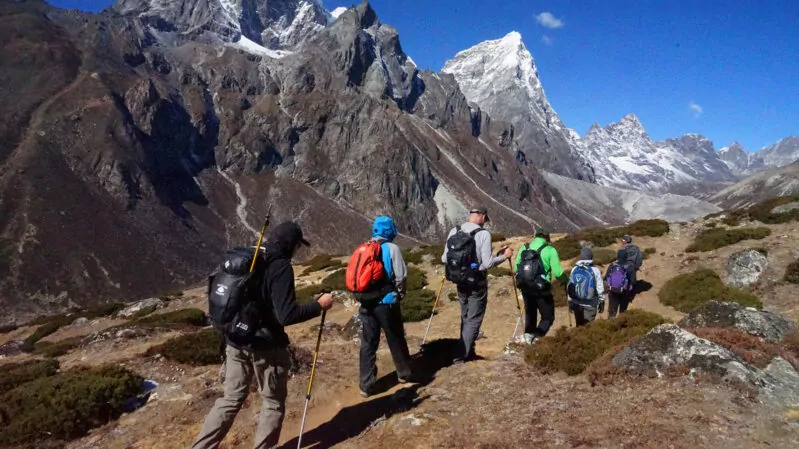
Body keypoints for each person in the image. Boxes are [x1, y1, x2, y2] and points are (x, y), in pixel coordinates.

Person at [190, 221, 335, 449]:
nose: (297, 250)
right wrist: (319, 305)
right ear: (290, 244)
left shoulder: (251, 257)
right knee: (273, 403)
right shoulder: (281, 267)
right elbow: (287, 315)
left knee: (230, 399)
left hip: (235, 340)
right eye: (297, 246)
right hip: (266, 345)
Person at [441, 206, 512, 364]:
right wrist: (504, 257)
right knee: (473, 319)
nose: (485, 223)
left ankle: (467, 350)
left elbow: (444, 258)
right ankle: (460, 356)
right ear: (482, 216)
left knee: (465, 316)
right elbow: (486, 263)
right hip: (476, 282)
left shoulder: (455, 230)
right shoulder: (483, 234)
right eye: (485, 219)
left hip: (459, 281)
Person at [358, 216, 413, 397]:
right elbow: (401, 275)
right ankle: (404, 373)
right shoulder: (392, 248)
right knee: (395, 337)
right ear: (390, 230)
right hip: (386, 302)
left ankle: (366, 385)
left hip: (366, 302)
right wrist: (400, 294)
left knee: (368, 342)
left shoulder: (363, 248)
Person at [514, 228, 564, 344]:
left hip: (526, 287)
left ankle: (527, 337)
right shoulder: (550, 250)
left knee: (530, 315)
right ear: (547, 237)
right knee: (547, 317)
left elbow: (516, 268)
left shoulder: (524, 248)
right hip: (542, 289)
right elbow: (558, 273)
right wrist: (565, 280)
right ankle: (536, 337)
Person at [567, 247, 605, 326]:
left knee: (579, 326)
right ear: (591, 257)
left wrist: (570, 301)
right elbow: (600, 288)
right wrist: (601, 301)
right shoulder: (595, 270)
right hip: (590, 304)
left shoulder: (574, 269)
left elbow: (570, 286)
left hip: (577, 304)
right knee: (588, 328)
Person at [605, 249, 634, 318]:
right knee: (623, 313)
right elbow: (633, 280)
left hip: (613, 291)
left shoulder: (612, 265)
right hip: (625, 292)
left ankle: (610, 325)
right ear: (626, 256)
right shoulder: (630, 266)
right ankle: (621, 326)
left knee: (612, 312)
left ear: (618, 256)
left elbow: (606, 277)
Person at [620, 234, 643, 298]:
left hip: (623, 266)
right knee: (632, 280)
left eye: (622, 240)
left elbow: (619, 258)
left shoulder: (622, 248)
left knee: (623, 279)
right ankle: (630, 293)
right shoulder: (636, 248)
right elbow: (639, 258)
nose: (621, 241)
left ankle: (623, 293)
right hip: (633, 266)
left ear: (625, 241)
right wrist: (637, 266)